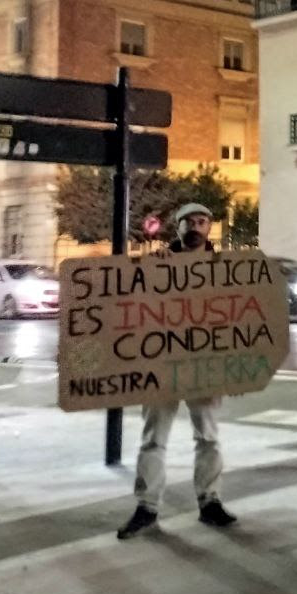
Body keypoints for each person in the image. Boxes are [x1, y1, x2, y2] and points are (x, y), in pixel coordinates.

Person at [118, 202, 235, 539]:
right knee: (153, 440)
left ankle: (209, 501)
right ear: (178, 228)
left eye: (202, 221)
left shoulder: (224, 268)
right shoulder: (155, 265)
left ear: (209, 228)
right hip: (162, 365)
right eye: (189, 222)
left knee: (208, 438)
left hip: (204, 365)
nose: (195, 226)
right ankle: (147, 507)